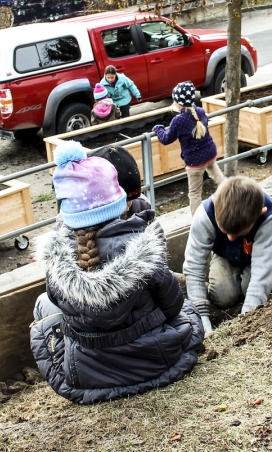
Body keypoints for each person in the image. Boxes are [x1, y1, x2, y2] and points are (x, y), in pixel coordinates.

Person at [30, 141, 204, 404]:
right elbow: (173, 305)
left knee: (44, 312)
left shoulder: (58, 261)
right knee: (187, 311)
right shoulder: (144, 249)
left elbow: (56, 302)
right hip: (156, 363)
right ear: (120, 203)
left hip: (90, 377)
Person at [183, 175, 272, 334]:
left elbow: (261, 274)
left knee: (249, 285)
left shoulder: (268, 216)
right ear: (215, 205)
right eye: (225, 232)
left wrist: (246, 322)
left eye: (237, 233)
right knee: (224, 296)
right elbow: (193, 266)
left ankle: (259, 283)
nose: (230, 238)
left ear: (260, 213)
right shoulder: (205, 214)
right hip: (227, 253)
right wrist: (202, 319)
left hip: (268, 252)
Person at [152, 81, 225, 215]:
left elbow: (166, 139)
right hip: (209, 153)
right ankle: (230, 196)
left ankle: (198, 221)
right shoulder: (201, 112)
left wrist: (158, 129)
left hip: (195, 162)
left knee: (195, 193)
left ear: (178, 102)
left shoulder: (178, 121)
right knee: (219, 179)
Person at [87, 144, 151, 217]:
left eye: (129, 200)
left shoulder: (142, 205)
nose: (126, 209)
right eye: (122, 201)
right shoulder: (88, 219)